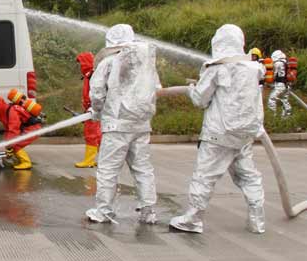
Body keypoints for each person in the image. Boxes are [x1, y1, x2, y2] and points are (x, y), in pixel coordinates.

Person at [170, 24, 266, 234]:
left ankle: (192, 220)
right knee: (249, 176)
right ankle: (257, 221)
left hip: (219, 134)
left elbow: (200, 100)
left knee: (204, 177)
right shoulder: (254, 68)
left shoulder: (216, 68)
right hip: (244, 133)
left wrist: (192, 88)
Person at [85, 24, 160, 224]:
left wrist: (96, 111)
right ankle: (148, 211)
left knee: (108, 169)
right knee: (143, 168)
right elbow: (156, 89)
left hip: (116, 125)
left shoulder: (108, 62)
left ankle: (104, 211)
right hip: (141, 125)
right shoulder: (146, 65)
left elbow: (97, 93)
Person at [0, 92, 42, 170]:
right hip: (28, 129)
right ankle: (19, 158)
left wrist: (10, 146)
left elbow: (13, 130)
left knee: (16, 144)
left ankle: (26, 163)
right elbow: (9, 131)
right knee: (12, 144)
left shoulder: (11, 111)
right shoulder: (4, 112)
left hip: (33, 129)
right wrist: (8, 146)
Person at [74, 52, 102, 168]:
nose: (79, 65)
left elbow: (96, 92)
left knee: (90, 134)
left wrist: (91, 107)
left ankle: (89, 160)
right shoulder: (89, 74)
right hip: (93, 109)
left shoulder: (92, 75)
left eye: (80, 63)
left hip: (93, 109)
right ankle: (105, 159)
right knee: (98, 135)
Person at [267, 49, 292, 117]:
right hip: (287, 85)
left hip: (280, 85)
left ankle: (272, 115)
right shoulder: (286, 62)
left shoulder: (277, 63)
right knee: (285, 100)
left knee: (272, 98)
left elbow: (274, 75)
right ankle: (287, 117)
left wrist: (269, 82)